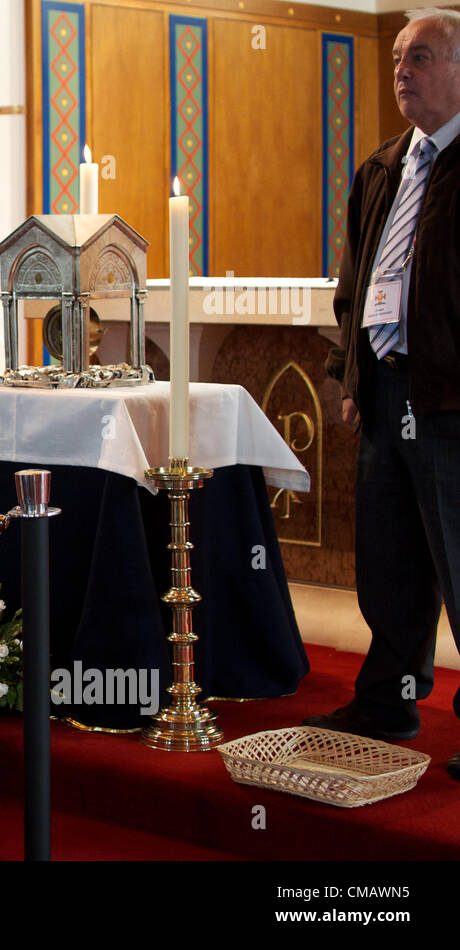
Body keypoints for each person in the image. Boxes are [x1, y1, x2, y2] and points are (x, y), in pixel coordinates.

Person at [304, 8, 460, 780]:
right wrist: (351, 376)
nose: (403, 69)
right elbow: (356, 282)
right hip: (386, 387)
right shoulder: (383, 166)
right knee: (389, 558)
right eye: (398, 55)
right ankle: (388, 701)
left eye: (422, 56)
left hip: (451, 399)